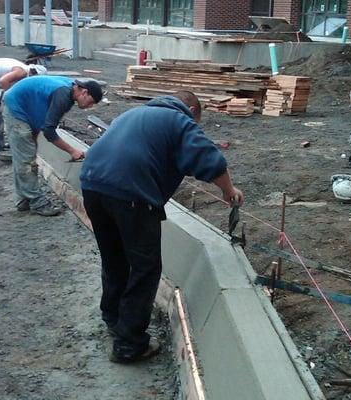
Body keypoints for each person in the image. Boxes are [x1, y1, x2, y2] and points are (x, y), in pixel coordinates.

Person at [80, 91, 244, 363]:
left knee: (115, 259)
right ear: (191, 109)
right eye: (197, 120)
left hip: (92, 186)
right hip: (131, 193)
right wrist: (229, 190)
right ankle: (129, 345)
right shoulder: (178, 119)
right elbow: (209, 158)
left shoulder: (134, 114)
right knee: (146, 268)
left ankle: (114, 317)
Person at [3, 76, 103, 216]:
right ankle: (37, 202)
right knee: (26, 161)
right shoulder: (63, 95)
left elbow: (43, 120)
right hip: (17, 109)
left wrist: (34, 139)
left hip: (25, 107)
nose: (89, 107)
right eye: (90, 102)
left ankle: (23, 200)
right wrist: (72, 150)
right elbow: (49, 132)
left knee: (25, 156)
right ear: (84, 92)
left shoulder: (70, 92)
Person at [0, 58, 47, 158]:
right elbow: (4, 81)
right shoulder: (22, 72)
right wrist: (9, 98)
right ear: (34, 74)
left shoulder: (22, 69)